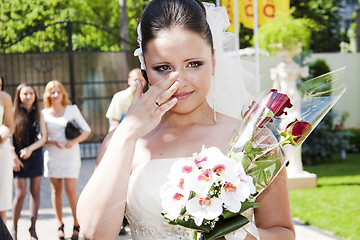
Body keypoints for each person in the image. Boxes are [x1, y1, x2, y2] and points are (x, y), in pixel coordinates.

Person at [77, 1, 295, 240]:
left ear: (213, 59)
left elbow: (282, 232)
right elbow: (93, 232)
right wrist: (127, 134)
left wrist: (241, 234)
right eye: (163, 67)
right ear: (145, 69)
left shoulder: (252, 140)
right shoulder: (123, 141)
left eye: (193, 64)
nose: (178, 81)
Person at [42, 80, 91, 240]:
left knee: (71, 190)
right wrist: (53, 142)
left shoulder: (72, 110)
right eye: (52, 92)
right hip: (53, 154)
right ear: (48, 95)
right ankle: (59, 224)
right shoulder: (44, 113)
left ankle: (77, 224)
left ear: (63, 93)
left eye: (58, 91)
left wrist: (72, 141)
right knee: (56, 191)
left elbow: (86, 130)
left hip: (70, 155)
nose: (55, 95)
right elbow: (40, 138)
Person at [11, 83, 47, 240]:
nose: (28, 96)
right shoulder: (12, 113)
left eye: (31, 93)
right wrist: (13, 156)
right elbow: (9, 138)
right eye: (25, 94)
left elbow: (44, 138)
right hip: (18, 157)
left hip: (35, 155)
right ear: (19, 96)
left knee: (35, 192)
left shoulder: (39, 113)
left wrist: (30, 149)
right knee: (20, 194)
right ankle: (14, 228)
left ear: (35, 95)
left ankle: (33, 228)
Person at [0, 75, 19, 226]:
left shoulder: (4, 97)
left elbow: (10, 126)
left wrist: (4, 132)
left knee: (1, 202)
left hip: (2, 152)